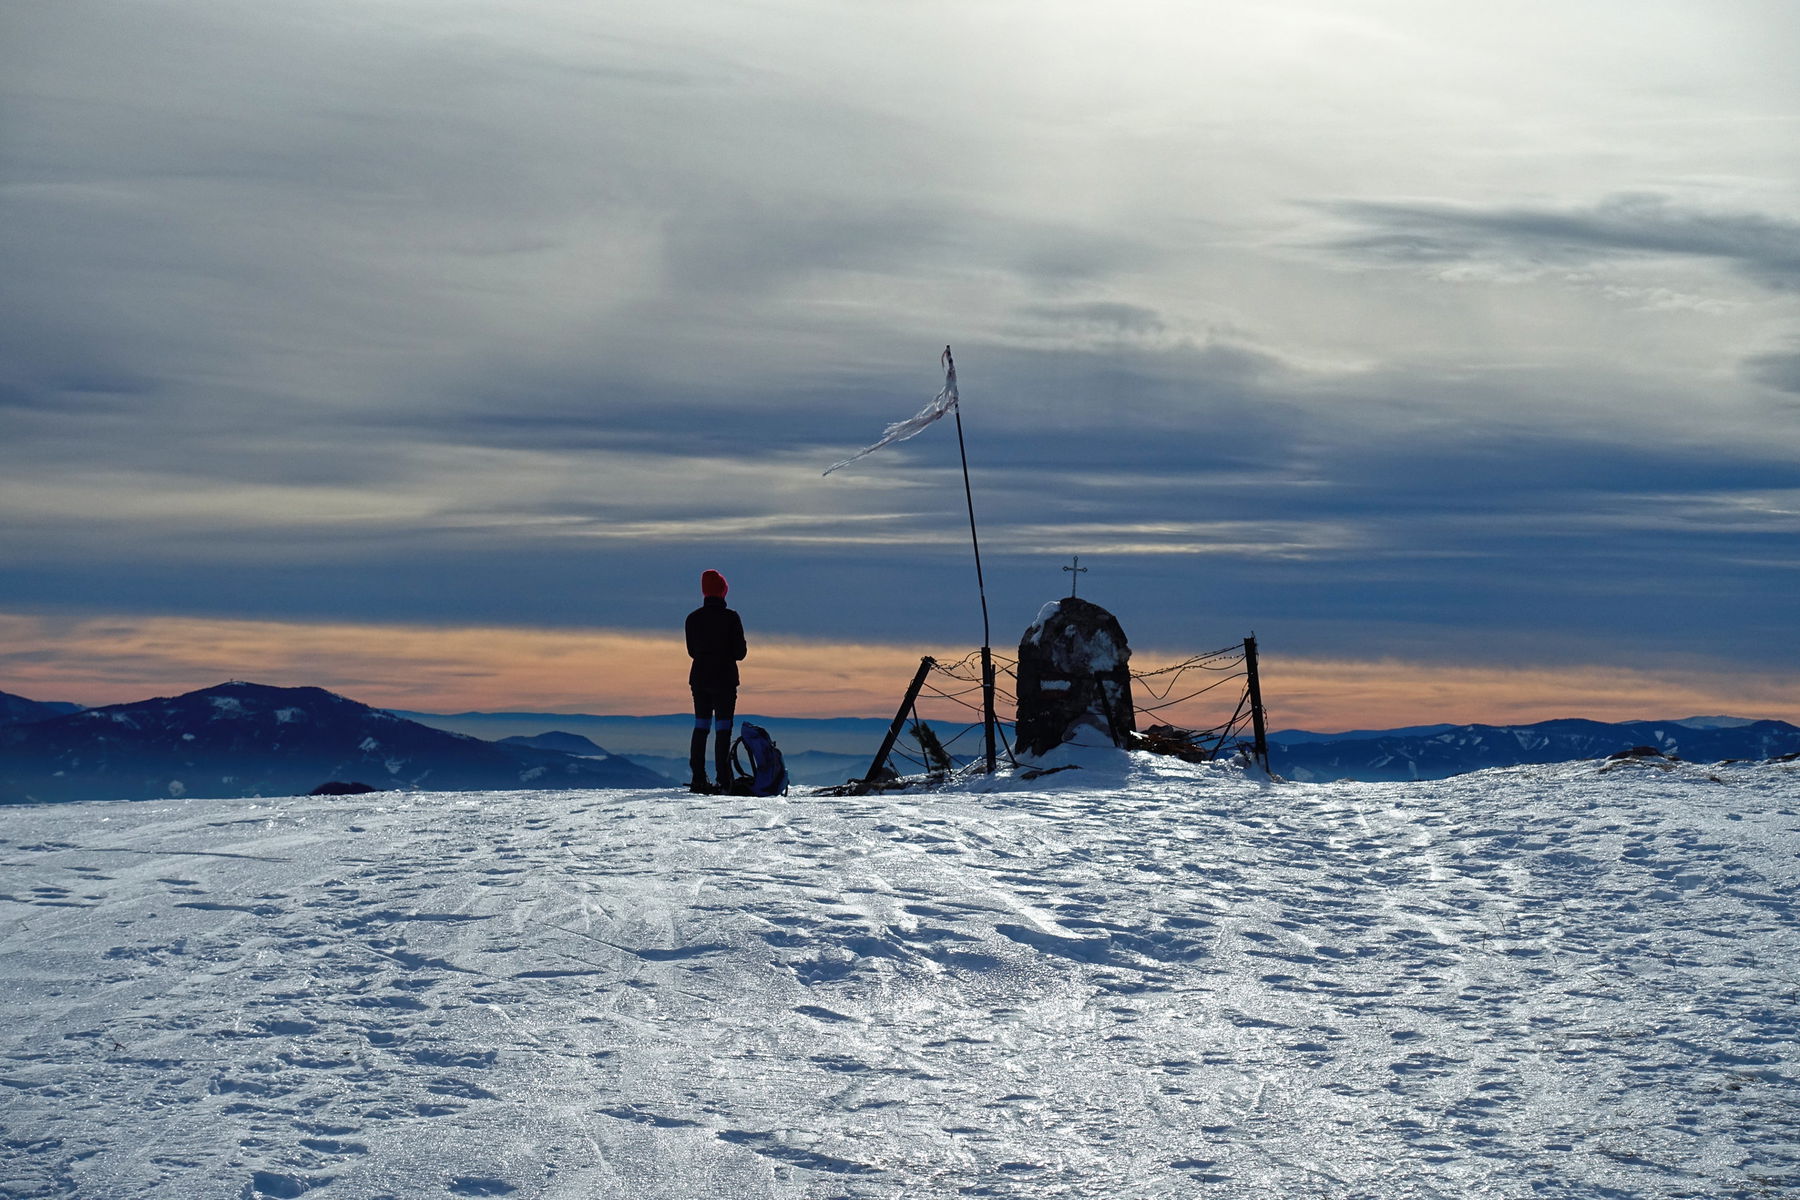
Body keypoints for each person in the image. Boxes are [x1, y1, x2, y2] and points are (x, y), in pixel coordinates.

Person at [685, 569, 747, 793]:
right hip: (725, 679)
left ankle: (698, 778)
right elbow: (740, 653)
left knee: (701, 727)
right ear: (723, 591)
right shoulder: (731, 618)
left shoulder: (692, 618)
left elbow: (692, 651)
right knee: (723, 729)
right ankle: (724, 778)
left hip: (699, 678)